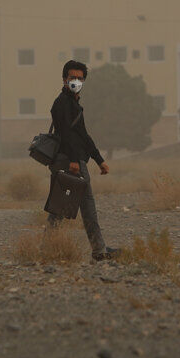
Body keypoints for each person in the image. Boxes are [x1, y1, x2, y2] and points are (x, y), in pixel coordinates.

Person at [44, 60, 118, 261]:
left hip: (72, 160)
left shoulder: (74, 104)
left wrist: (99, 159)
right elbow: (67, 134)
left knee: (59, 208)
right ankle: (99, 250)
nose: (76, 81)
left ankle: (46, 247)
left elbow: (83, 135)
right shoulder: (62, 103)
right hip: (69, 161)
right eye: (72, 77)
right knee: (87, 206)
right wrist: (75, 161)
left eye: (80, 78)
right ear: (64, 79)